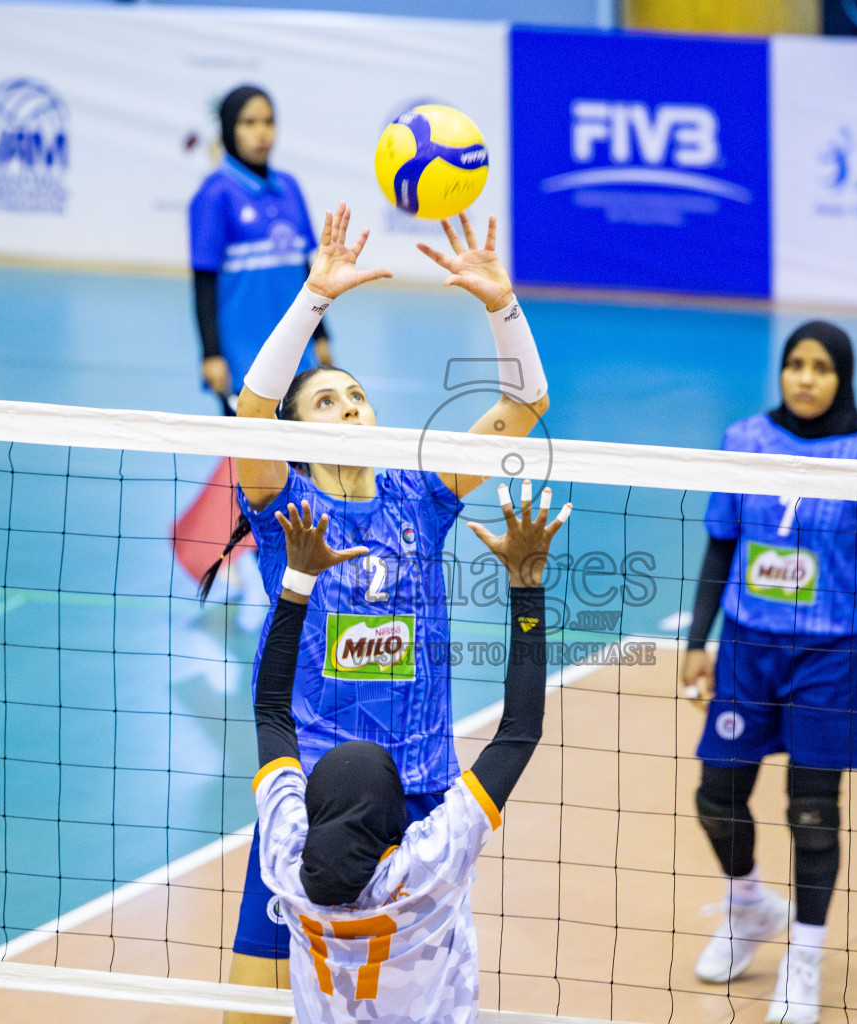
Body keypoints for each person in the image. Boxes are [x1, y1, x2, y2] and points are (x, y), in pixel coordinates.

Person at [203, 203, 550, 1022]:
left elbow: (525, 405)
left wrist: (502, 305)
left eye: (357, 395)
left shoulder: (421, 496)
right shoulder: (281, 505)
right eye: (328, 401)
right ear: (298, 434)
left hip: (423, 800)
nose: (352, 406)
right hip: (310, 807)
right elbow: (249, 415)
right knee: (248, 1010)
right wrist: (312, 300)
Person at [681, 320, 857, 1023]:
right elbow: (719, 547)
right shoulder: (743, 441)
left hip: (829, 656)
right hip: (746, 648)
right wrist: (699, 639)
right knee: (716, 795)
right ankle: (749, 905)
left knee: (814, 815)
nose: (806, 378)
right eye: (795, 364)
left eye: (821, 366)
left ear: (842, 377)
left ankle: (806, 959)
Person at [247, 485, 566, 1024]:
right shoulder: (427, 862)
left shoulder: (288, 865)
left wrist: (297, 579)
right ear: (397, 822)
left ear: (314, 812)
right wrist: (526, 583)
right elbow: (522, 728)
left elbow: (272, 709)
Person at [190, 85, 329, 411]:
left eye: (268, 121)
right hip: (242, 361)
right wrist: (211, 354)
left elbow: (306, 273)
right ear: (228, 128)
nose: (261, 132)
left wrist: (321, 336)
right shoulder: (214, 195)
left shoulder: (290, 188)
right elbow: (203, 284)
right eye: (249, 122)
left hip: (299, 354)